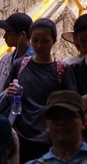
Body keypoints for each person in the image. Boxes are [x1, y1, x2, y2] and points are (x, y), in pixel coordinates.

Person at [2, 19, 78, 162]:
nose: (39, 46)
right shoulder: (20, 65)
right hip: (20, 136)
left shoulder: (62, 70)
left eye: (45, 41)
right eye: (35, 40)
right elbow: (9, 94)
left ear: (54, 41)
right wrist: (9, 94)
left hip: (49, 139)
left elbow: (71, 104)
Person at [26, 91, 87, 164]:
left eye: (68, 117)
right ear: (47, 125)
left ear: (83, 122)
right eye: (55, 118)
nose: (61, 123)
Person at [0, 13, 34, 88]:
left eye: (8, 33)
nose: (4, 37)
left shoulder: (34, 63)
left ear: (22, 35)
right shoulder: (6, 59)